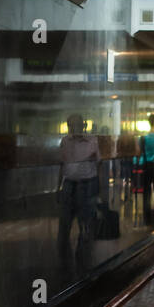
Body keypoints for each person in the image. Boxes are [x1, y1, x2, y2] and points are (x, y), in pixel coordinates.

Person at [57, 114, 101, 267]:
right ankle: (64, 257)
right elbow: (62, 165)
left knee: (85, 221)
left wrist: (97, 188)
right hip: (69, 184)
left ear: (84, 126)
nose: (74, 128)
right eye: (71, 125)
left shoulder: (92, 141)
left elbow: (97, 164)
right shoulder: (65, 141)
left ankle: (84, 257)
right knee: (65, 221)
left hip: (86, 184)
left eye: (77, 124)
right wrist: (59, 187)